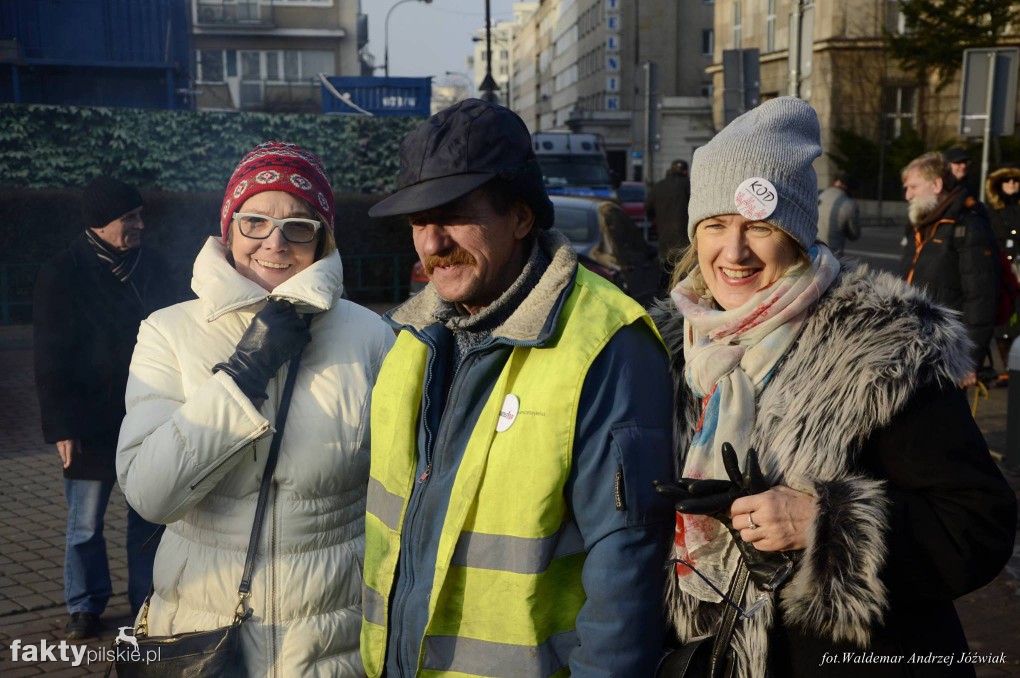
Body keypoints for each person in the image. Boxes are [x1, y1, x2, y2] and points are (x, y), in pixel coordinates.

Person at [653, 96, 1016, 678]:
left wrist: (821, 522)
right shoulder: (673, 350)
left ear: (795, 234)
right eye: (716, 225)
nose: (734, 251)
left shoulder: (879, 348)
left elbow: (977, 524)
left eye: (759, 227)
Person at [360, 99, 675, 677]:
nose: (431, 244)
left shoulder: (607, 343)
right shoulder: (411, 337)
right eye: (417, 222)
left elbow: (627, 564)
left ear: (523, 217)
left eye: (453, 215)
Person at [116, 142, 395, 675]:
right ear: (229, 228)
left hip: (332, 641)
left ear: (322, 238)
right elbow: (151, 495)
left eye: (298, 227)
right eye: (255, 222)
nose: (275, 242)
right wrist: (242, 377)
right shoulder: (168, 332)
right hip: (202, 630)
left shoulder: (370, 336)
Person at [33, 177, 177, 639]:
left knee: (148, 519)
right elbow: (49, 356)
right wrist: (61, 427)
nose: (140, 224)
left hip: (148, 415)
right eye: (129, 218)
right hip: (89, 423)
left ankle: (145, 603)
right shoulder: (62, 272)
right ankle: (84, 605)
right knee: (85, 523)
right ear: (100, 223)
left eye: (139, 214)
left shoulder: (154, 267)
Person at [899, 151, 999, 386]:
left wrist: (969, 360)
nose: (907, 195)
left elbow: (981, 297)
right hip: (915, 346)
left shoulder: (967, 224)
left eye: (913, 187)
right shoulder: (921, 224)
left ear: (936, 185)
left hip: (947, 353)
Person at [986, 164, 1020, 364]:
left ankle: (1018, 365)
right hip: (1001, 272)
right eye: (1007, 181)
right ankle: (1008, 366)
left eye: (1016, 181)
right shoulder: (991, 211)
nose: (1012, 184)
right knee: (1003, 321)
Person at [646, 159, 692, 270]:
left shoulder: (658, 186)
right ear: (685, 171)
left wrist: (653, 219)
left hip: (664, 238)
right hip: (685, 238)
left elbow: (648, 208)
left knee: (666, 271)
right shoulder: (689, 185)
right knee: (684, 271)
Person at [815, 174, 861, 255]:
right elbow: (854, 234)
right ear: (852, 190)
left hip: (811, 252)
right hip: (832, 256)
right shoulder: (850, 205)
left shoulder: (818, 195)